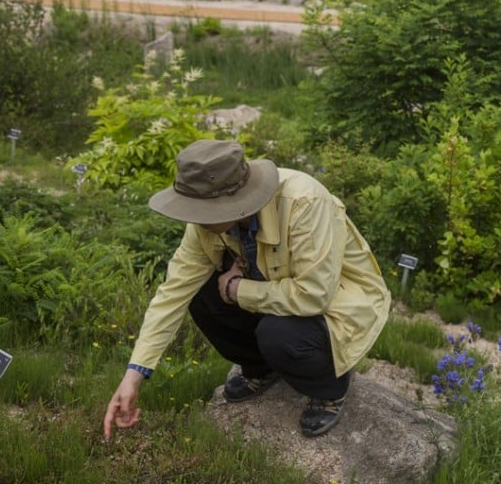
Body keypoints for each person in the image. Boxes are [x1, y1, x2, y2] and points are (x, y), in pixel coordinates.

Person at [103, 139, 390, 439]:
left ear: (233, 200)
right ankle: (262, 368)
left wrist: (238, 289)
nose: (193, 217)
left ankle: (329, 387)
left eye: (201, 209)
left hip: (339, 304)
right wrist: (134, 375)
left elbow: (314, 295)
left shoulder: (304, 202)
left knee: (278, 335)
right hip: (273, 292)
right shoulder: (204, 223)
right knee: (200, 295)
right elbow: (173, 292)